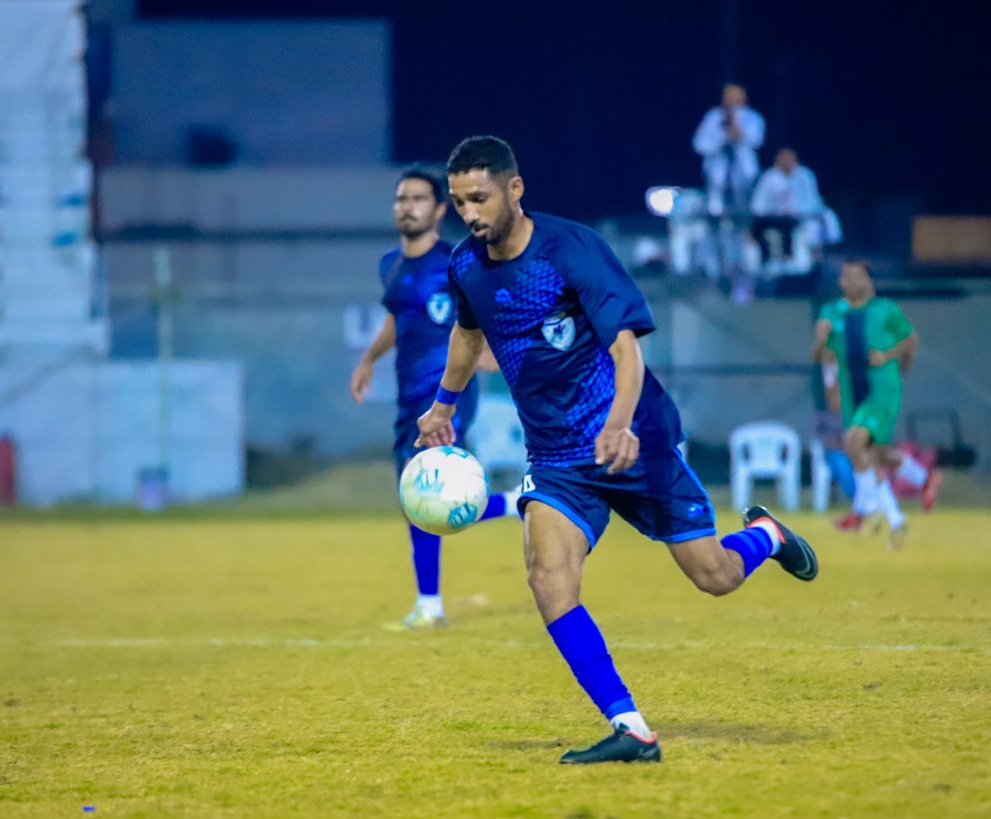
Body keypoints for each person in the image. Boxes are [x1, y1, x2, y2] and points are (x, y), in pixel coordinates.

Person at [415, 136, 818, 765]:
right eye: (460, 201)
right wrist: (443, 405)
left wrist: (621, 424)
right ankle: (631, 728)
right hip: (556, 458)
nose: (469, 213)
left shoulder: (571, 250)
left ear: (514, 189)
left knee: (714, 576)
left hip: (636, 439)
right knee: (548, 578)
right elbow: (467, 337)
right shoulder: (465, 265)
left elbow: (626, 349)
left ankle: (765, 536)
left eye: (480, 198)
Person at [350, 167, 519, 632]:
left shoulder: (456, 263)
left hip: (447, 398)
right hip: (409, 401)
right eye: (401, 199)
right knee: (417, 499)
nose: (408, 206)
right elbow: (397, 319)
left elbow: (488, 312)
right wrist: (369, 359)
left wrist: (493, 353)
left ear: (439, 209)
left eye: (419, 199)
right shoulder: (390, 265)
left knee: (429, 492)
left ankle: (430, 605)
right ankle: (518, 503)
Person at [811, 260, 939, 548]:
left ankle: (864, 511)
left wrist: (890, 358)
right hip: (851, 391)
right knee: (876, 455)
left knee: (854, 443)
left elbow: (911, 342)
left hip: (881, 390)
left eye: (857, 276)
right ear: (841, 282)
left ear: (868, 281)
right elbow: (822, 356)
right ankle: (915, 492)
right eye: (846, 276)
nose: (851, 281)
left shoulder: (885, 309)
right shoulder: (832, 312)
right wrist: (821, 344)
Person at [693, 84, 766, 218]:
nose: (732, 100)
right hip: (717, 173)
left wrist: (739, 133)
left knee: (742, 209)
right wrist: (723, 136)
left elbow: (757, 141)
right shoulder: (713, 117)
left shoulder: (753, 117)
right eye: (729, 96)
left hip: (744, 174)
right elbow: (700, 145)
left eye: (736, 95)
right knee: (714, 208)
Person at [750, 148, 824, 269]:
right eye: (783, 159)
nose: (786, 161)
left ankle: (794, 260)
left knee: (797, 226)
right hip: (773, 216)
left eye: (789, 159)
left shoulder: (805, 176)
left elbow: (812, 199)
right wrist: (767, 213)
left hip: (800, 216)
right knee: (758, 226)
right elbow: (759, 202)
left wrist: (797, 212)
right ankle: (764, 262)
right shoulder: (769, 177)